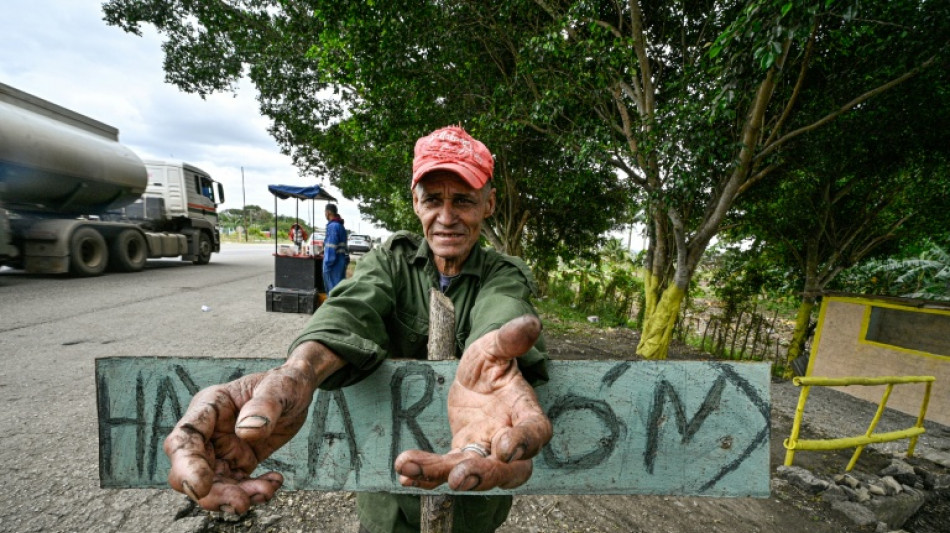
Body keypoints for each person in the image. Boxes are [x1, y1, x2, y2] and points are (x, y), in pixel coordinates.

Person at [163, 126, 553, 533]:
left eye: (464, 201)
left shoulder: (503, 273)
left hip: (474, 489)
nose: (447, 217)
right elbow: (352, 308)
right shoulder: (390, 261)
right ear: (416, 202)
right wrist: (298, 372)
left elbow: (504, 312)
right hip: (383, 491)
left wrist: (489, 361)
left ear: (489, 204)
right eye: (433, 200)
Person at [322, 203, 348, 292]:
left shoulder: (333, 226)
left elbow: (331, 248)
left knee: (332, 292)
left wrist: (327, 264)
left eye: (325, 212)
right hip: (340, 264)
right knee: (339, 291)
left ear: (328, 213)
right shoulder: (340, 226)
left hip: (333, 266)